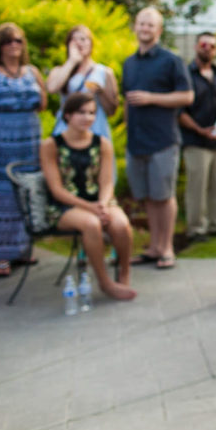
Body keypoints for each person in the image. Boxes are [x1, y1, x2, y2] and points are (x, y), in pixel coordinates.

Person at [39, 92, 136, 300]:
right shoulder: (51, 145)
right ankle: (104, 282)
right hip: (65, 206)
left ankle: (124, 273)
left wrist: (102, 204)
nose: (88, 118)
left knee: (121, 224)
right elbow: (56, 190)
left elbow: (106, 181)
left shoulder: (102, 143)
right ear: (67, 116)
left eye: (92, 113)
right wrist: (91, 208)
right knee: (91, 224)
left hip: (99, 202)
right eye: (81, 113)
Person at [121, 7, 193, 270]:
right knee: (149, 197)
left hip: (163, 140)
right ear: (135, 27)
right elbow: (128, 102)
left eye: (151, 25)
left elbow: (187, 97)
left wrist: (152, 98)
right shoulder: (129, 63)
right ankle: (153, 247)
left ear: (159, 30)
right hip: (136, 141)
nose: (145, 28)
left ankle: (167, 248)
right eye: (141, 23)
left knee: (164, 196)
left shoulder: (171, 60)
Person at [0, 23, 47, 277]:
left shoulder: (31, 71)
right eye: (7, 41)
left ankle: (21, 248)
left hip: (27, 143)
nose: (14, 45)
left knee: (25, 194)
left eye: (18, 40)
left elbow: (43, 103)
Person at [178, 32, 216, 243]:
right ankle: (197, 228)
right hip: (195, 140)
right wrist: (200, 130)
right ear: (196, 46)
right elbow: (180, 112)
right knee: (197, 187)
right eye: (203, 44)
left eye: (212, 46)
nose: (207, 48)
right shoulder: (186, 74)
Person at [46, 25, 119, 138]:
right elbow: (51, 88)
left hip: (95, 129)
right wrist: (72, 61)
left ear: (91, 44)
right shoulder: (60, 70)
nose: (79, 43)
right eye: (74, 40)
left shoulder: (104, 72)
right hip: (67, 129)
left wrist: (101, 92)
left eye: (83, 39)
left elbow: (111, 111)